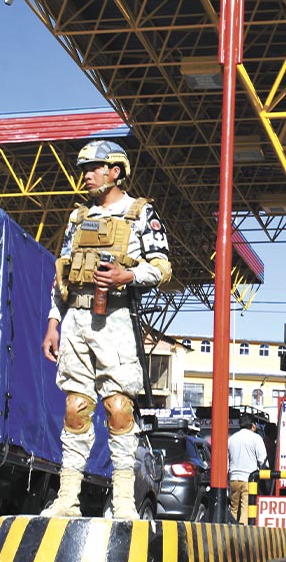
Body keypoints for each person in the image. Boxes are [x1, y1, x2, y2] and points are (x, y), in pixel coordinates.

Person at [41, 140, 172, 519]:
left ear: (116, 171)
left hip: (114, 318)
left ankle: (125, 500)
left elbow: (162, 267)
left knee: (118, 408)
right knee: (75, 407)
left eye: (95, 167)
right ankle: (68, 498)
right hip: (76, 320)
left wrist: (126, 275)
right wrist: (53, 322)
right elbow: (61, 275)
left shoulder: (141, 213)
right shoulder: (77, 217)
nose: (87, 174)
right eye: (85, 168)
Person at [227, 420, 268, 523]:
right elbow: (263, 459)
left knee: (233, 508)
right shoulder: (256, 438)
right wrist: (265, 474)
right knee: (246, 509)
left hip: (234, 479)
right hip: (249, 480)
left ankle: (231, 528)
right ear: (253, 426)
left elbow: (226, 460)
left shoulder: (231, 438)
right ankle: (242, 533)